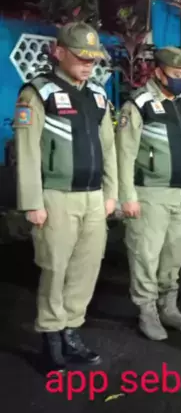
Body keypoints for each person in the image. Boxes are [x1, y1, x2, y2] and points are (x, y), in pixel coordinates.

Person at [13, 22, 118, 372]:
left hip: (93, 197)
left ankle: (71, 332)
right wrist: (33, 202)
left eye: (93, 58)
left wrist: (111, 192)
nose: (88, 64)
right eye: (81, 57)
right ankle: (51, 339)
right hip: (56, 197)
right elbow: (27, 151)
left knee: (86, 269)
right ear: (59, 52)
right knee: (54, 269)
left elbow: (109, 148)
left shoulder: (98, 95)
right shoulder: (37, 93)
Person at [115, 47, 181, 341]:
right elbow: (124, 154)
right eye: (176, 74)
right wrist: (126, 196)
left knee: (174, 255)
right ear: (158, 73)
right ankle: (147, 311)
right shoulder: (139, 104)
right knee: (146, 255)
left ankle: (169, 307)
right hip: (150, 193)